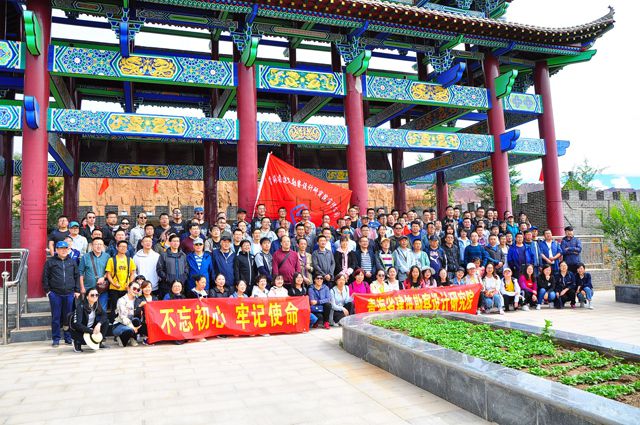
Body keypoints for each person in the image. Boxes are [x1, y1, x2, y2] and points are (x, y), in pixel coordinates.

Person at [43, 241, 81, 347]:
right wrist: (48, 291)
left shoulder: (72, 262)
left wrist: (77, 290)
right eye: (61, 248)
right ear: (56, 250)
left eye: (65, 248)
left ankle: (68, 337)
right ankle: (56, 339)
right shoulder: (50, 262)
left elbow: (76, 276)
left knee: (68, 317)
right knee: (56, 317)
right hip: (55, 294)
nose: (64, 250)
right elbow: (45, 277)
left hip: (69, 293)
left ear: (68, 249)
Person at [105, 240, 136, 321]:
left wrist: (129, 284)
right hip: (114, 288)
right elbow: (108, 274)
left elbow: (132, 274)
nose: (123, 248)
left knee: (126, 307)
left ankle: (125, 323)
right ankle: (114, 323)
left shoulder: (130, 260)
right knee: (115, 307)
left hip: (126, 288)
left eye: (125, 247)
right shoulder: (111, 260)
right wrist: (113, 283)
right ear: (117, 247)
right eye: (121, 246)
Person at [69, 287, 108, 352]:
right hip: (80, 329)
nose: (95, 296)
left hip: (90, 327)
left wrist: (99, 324)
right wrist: (91, 331)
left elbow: (104, 315)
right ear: (87, 297)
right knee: (83, 341)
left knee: (106, 322)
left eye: (97, 295)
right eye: (92, 295)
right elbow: (77, 324)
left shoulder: (96, 304)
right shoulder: (80, 306)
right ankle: (77, 342)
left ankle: (99, 342)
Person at [78, 237, 109, 310]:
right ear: (92, 246)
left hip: (102, 288)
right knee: (88, 309)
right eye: (96, 244)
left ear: (103, 246)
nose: (98, 246)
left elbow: (109, 271)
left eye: (100, 244)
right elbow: (80, 273)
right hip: (88, 288)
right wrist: (82, 287)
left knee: (102, 309)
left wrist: (103, 277)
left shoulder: (107, 256)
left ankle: (100, 318)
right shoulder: (85, 257)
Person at [156, 234, 189, 299]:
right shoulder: (164, 255)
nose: (176, 243)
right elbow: (159, 269)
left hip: (180, 285)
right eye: (174, 241)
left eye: (177, 241)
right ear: (170, 242)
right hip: (167, 285)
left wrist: (183, 278)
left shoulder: (183, 255)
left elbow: (186, 268)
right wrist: (167, 278)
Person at [113, 281, 142, 347]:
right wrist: (133, 328)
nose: (136, 291)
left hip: (132, 322)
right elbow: (123, 317)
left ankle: (132, 338)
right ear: (128, 288)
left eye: (138, 290)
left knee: (136, 320)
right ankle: (119, 337)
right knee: (129, 330)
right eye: (134, 288)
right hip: (120, 324)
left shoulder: (138, 301)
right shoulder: (121, 300)